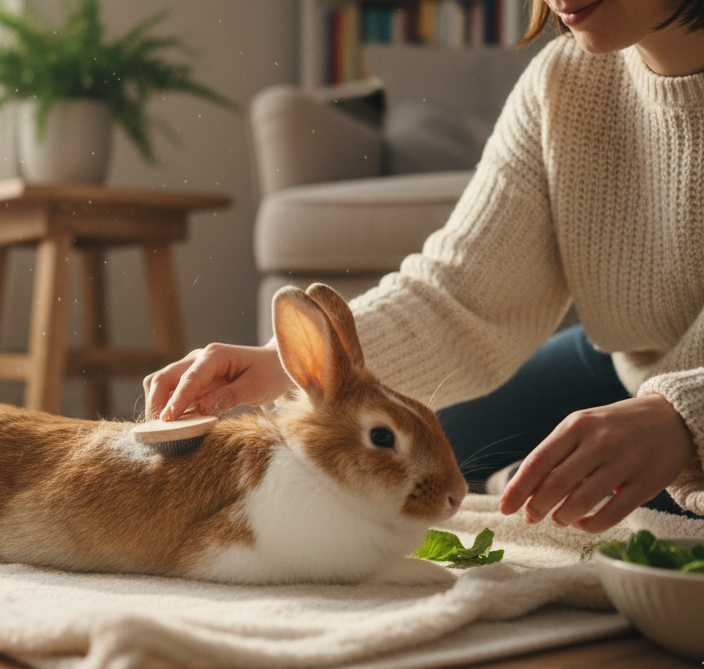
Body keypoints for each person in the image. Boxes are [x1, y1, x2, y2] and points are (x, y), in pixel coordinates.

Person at [144, 0, 704, 533]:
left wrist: (683, 420)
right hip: (627, 364)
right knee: (409, 454)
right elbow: (457, 295)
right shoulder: (563, 83)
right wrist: (279, 363)